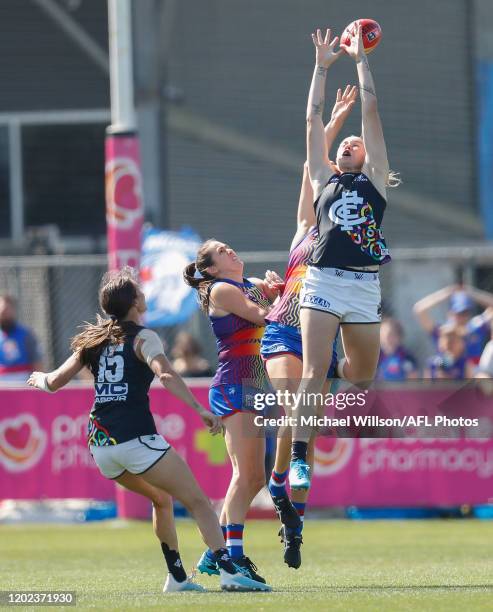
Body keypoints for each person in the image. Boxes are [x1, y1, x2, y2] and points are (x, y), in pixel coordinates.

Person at [27, 267, 269, 593]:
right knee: (199, 502)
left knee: (161, 499)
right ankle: (228, 571)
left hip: (101, 446)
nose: (144, 295)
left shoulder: (93, 341)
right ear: (134, 302)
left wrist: (38, 378)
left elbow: (54, 382)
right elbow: (166, 375)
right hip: (135, 439)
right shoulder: (144, 336)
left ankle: (177, 578)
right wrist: (199, 409)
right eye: (140, 292)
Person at [291, 25, 398, 490]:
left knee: (363, 375)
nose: (351, 141)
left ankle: (335, 365)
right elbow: (312, 120)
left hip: (362, 285)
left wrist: (360, 56)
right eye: (346, 142)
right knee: (312, 371)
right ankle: (299, 456)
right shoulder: (322, 178)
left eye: (357, 141)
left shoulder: (374, 179)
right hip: (323, 280)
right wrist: (321, 66)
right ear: (334, 158)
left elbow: (371, 111)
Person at [260, 84, 357, 568]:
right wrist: (334, 123)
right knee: (294, 404)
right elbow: (308, 168)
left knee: (307, 433)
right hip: (282, 329)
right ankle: (280, 486)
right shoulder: (305, 226)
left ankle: (293, 519)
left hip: (320, 335)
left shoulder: (351, 235)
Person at [184, 242, 279, 586]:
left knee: (254, 477)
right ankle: (233, 560)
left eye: (229, 247)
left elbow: (268, 307)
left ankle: (215, 554)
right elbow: (263, 315)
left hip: (252, 385)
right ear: (210, 269)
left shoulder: (247, 283)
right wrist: (283, 294)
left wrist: (276, 290)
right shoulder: (221, 289)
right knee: (247, 475)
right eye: (222, 251)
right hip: (234, 385)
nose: (231, 251)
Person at [413, 285, 493, 367]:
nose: (462, 317)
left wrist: (471, 293)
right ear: (451, 314)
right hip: (448, 375)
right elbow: (419, 309)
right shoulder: (443, 333)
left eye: (465, 313)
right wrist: (447, 293)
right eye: (458, 313)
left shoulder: (476, 328)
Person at [0, 294, 43, 381]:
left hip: (23, 379)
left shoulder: (26, 334)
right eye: (2, 312)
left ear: (13, 311)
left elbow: (37, 361)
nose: (5, 314)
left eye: (7, 310)